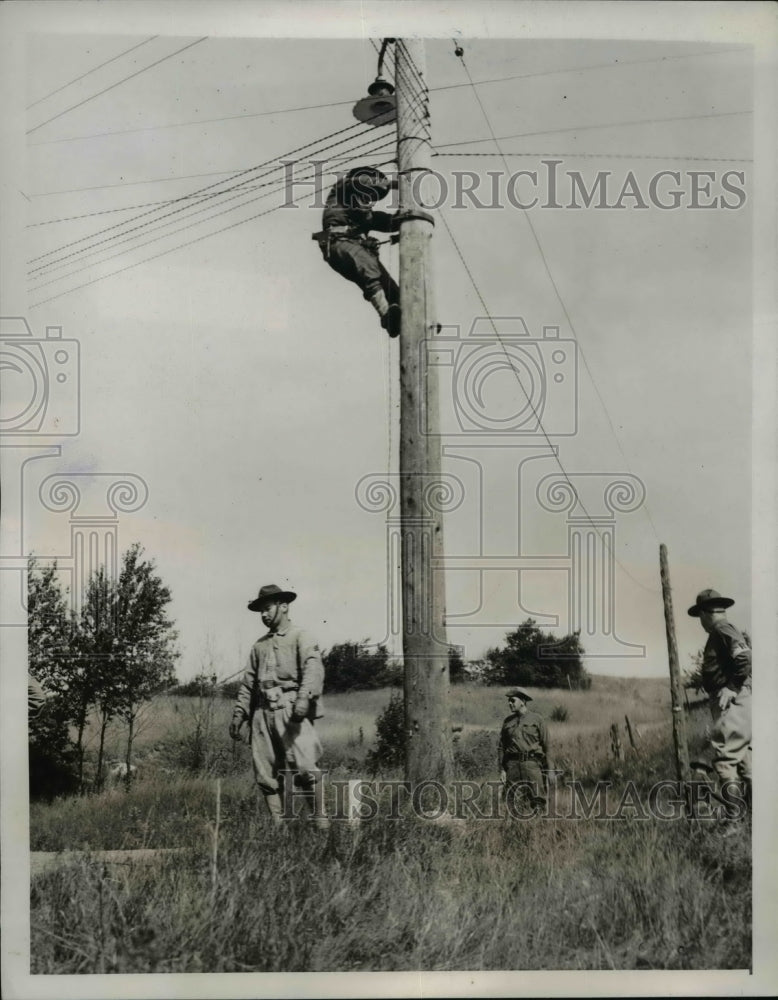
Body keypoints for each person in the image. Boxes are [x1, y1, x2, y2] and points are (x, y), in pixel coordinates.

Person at [230, 584, 327, 826]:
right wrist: (239, 714)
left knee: (305, 767)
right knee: (265, 772)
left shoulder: (301, 636)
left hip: (291, 708)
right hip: (261, 713)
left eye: (267, 609)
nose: (263, 615)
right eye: (260, 611)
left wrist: (304, 697)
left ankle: (321, 825)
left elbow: (313, 668)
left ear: (283, 607)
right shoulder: (259, 646)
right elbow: (248, 684)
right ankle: (279, 829)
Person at [314, 165, 402, 337]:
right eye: (370, 193)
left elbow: (386, 221)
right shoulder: (343, 188)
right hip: (337, 244)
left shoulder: (366, 214)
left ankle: (411, 320)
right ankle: (386, 315)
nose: (370, 198)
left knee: (392, 289)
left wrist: (405, 222)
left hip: (353, 247)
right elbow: (359, 183)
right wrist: (392, 184)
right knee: (367, 265)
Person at [687, 587, 751, 821]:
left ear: (705, 613)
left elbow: (744, 657)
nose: (700, 623)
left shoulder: (722, 629)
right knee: (743, 760)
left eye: (700, 617)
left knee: (724, 760)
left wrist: (732, 687)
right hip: (735, 700)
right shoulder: (721, 631)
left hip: (733, 700)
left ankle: (733, 822)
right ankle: (751, 817)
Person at [498, 688, 549, 816]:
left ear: (523, 701)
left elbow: (547, 745)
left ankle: (538, 831)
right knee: (511, 800)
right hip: (512, 766)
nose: (510, 703)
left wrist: (549, 771)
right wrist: (502, 769)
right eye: (509, 701)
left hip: (532, 765)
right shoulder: (507, 722)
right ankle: (515, 830)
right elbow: (501, 747)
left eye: (513, 700)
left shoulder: (537, 719)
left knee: (537, 799)